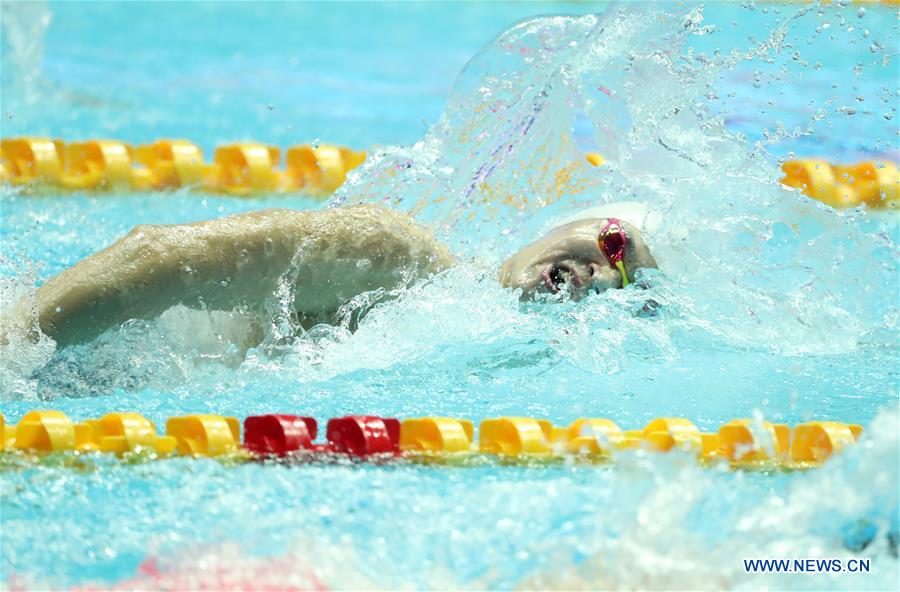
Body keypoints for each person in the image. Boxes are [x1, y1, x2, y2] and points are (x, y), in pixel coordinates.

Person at [3, 204, 657, 348]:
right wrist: (12, 344)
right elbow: (162, 258)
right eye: (615, 243)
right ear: (555, 226)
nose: (602, 271)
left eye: (621, 279)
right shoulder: (400, 258)